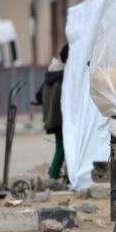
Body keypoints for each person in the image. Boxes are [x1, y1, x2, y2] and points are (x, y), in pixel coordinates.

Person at [35, 43, 69, 181]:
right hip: (60, 119)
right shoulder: (63, 75)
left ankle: (58, 176)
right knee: (61, 150)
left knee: (62, 149)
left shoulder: (52, 72)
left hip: (53, 118)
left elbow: (39, 95)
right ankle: (52, 178)